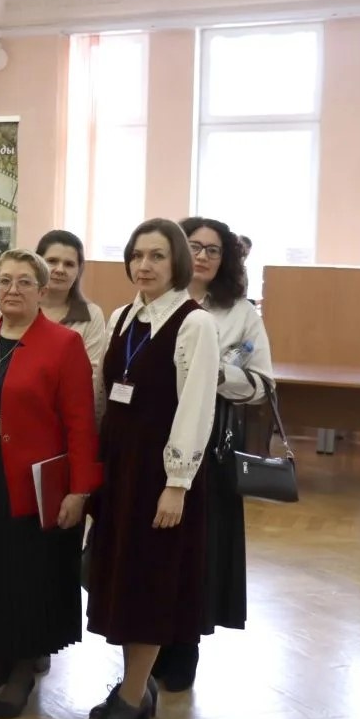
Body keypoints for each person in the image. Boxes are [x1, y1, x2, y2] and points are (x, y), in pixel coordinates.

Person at [0, 250, 99, 719]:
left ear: (42, 290)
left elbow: (81, 423)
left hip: (35, 485)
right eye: (4, 281)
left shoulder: (64, 343)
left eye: (24, 282)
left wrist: (79, 490)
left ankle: (22, 671)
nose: (12, 290)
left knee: (29, 577)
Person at [86, 218, 217, 719]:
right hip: (120, 471)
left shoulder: (194, 324)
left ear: (177, 262)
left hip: (161, 477)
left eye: (157, 256)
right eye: (137, 255)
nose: (144, 265)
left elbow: (196, 408)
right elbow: (104, 396)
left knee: (150, 584)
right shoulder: (123, 316)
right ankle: (135, 687)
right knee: (121, 581)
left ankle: (132, 694)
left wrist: (176, 483)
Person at [151, 216, 275, 692]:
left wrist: (215, 373)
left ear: (226, 261)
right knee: (156, 545)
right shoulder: (157, 301)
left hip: (211, 445)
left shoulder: (240, 313)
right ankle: (148, 643)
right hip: (154, 436)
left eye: (213, 250)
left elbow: (262, 386)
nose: (202, 256)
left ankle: (186, 647)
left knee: (199, 547)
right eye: (193, 246)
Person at [36, 229, 109, 414]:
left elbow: (91, 377)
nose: (60, 270)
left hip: (67, 413)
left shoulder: (91, 314)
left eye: (69, 264)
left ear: (79, 270)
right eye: (52, 261)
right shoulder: (15, 309)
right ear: (37, 264)